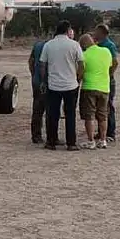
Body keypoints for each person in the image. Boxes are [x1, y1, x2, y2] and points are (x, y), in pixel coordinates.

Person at [39, 20, 84, 151]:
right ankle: (71, 143)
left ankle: (51, 141)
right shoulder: (74, 45)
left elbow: (42, 65)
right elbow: (81, 64)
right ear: (68, 30)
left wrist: (44, 80)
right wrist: (78, 78)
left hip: (53, 85)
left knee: (52, 115)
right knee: (70, 115)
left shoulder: (48, 45)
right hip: (70, 85)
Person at [78, 33, 115, 149]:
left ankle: (91, 141)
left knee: (89, 116)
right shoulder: (106, 52)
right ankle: (103, 140)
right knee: (102, 115)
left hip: (89, 87)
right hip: (104, 88)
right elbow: (111, 66)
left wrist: (78, 80)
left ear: (83, 45)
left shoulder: (84, 55)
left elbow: (81, 71)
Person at [92, 24, 119, 142]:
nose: (94, 34)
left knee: (108, 106)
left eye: (96, 31)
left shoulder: (110, 45)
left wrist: (108, 74)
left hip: (107, 81)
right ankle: (101, 131)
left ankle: (110, 133)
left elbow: (115, 62)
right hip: (99, 81)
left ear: (102, 32)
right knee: (99, 107)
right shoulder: (98, 45)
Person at [27, 34, 49, 144]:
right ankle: (50, 136)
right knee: (50, 110)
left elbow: (30, 61)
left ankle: (36, 135)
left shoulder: (38, 45)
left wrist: (33, 75)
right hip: (47, 82)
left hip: (36, 81)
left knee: (37, 110)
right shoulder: (51, 47)